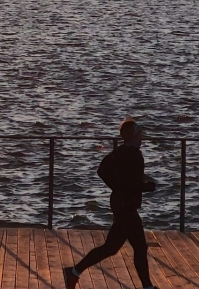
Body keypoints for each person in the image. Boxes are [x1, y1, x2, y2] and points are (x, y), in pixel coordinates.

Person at [64, 118, 157, 289]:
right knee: (138, 247)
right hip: (126, 206)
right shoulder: (135, 155)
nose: (141, 137)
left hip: (120, 203)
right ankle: (147, 287)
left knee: (112, 248)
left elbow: (104, 171)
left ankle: (74, 272)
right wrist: (147, 187)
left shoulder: (120, 152)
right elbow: (132, 183)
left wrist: (117, 186)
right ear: (132, 136)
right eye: (139, 134)